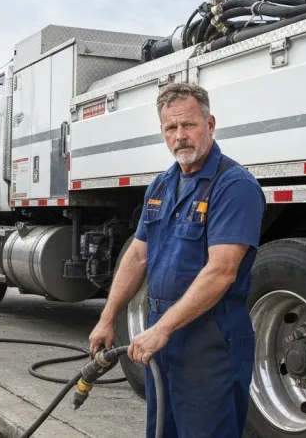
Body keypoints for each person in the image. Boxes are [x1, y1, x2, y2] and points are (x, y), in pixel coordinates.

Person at [88, 82, 265, 438]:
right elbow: (137, 256)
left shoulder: (233, 185)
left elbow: (222, 271)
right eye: (171, 128)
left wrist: (162, 329)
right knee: (162, 431)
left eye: (189, 125)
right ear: (163, 132)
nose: (180, 136)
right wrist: (108, 318)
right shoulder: (161, 185)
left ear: (210, 125)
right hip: (163, 336)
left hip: (210, 337)